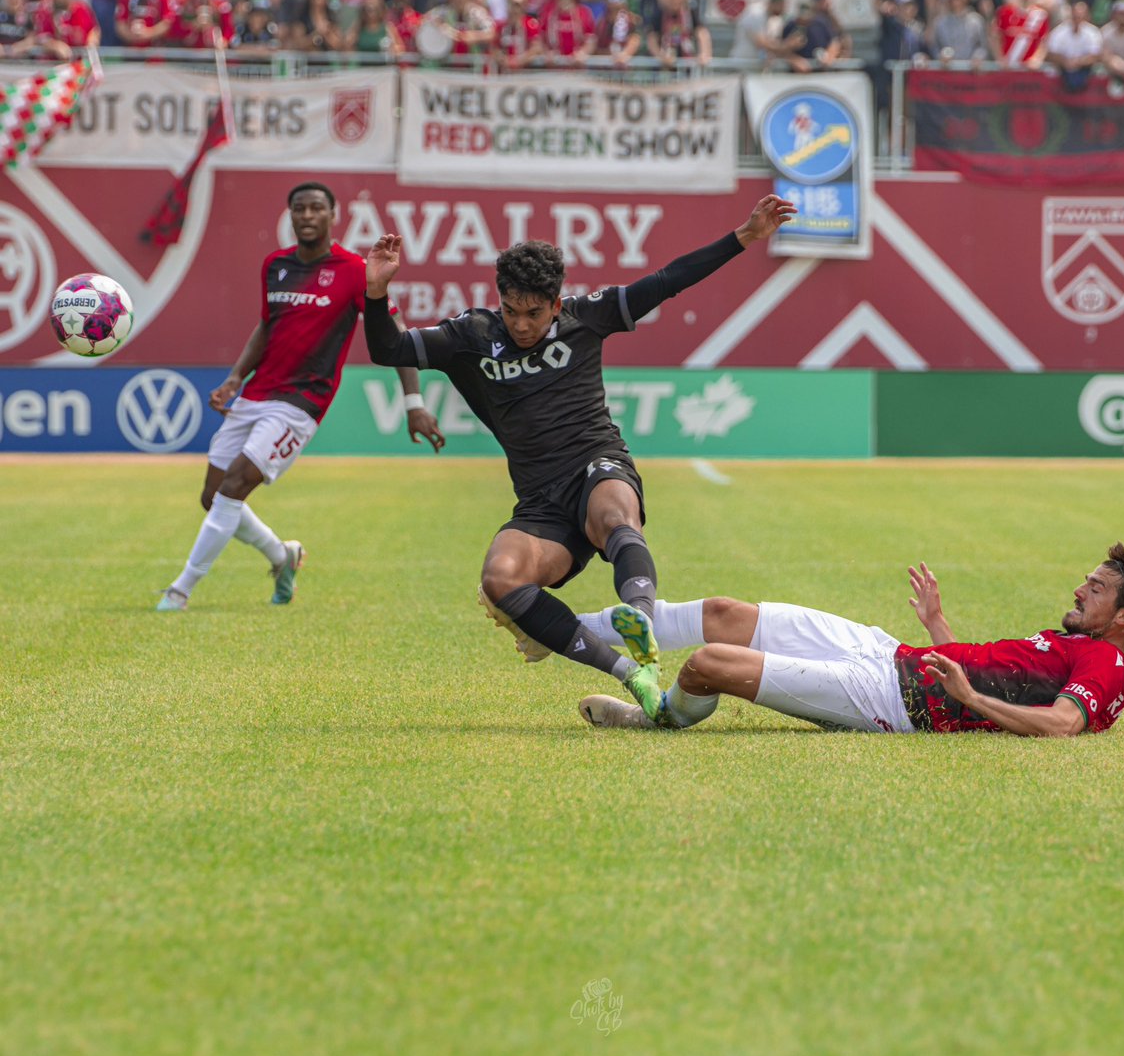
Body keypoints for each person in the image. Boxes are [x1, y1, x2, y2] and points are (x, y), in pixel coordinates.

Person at [362, 195, 796, 720]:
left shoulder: (587, 316)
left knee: (614, 515)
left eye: (534, 313)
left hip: (597, 463)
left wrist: (742, 237)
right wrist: (376, 292)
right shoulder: (470, 336)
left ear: (557, 302)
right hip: (540, 502)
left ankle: (639, 619)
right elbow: (388, 350)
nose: (521, 325)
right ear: (499, 300)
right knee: (500, 580)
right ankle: (630, 673)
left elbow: (667, 280)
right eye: (511, 311)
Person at [157, 183, 444, 612]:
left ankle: (180, 590)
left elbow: (393, 334)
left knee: (234, 487)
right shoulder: (276, 266)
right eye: (299, 209)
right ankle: (282, 555)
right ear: (290, 215)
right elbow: (267, 326)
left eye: (316, 208)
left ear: (333, 215)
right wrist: (236, 377)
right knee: (212, 495)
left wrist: (413, 402)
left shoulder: (353, 270)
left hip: (302, 402)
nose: (307, 215)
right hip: (257, 392)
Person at [578, 543, 1124, 736]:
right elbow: (982, 672)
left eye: (1094, 590)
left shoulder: (1107, 664)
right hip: (888, 653)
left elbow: (1064, 724)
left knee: (706, 665)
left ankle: (656, 715)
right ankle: (568, 629)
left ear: (1122, 618)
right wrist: (938, 628)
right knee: (728, 613)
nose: (1078, 590)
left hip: (891, 701)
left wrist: (969, 699)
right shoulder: (1074, 642)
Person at [1046, 0, 1102, 89]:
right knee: (1050, 70)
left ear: (1087, 16)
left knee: (1099, 71)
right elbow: (1051, 53)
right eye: (1075, 15)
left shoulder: (1093, 32)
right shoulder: (1059, 31)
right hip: (1062, 68)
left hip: (1085, 69)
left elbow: (1095, 55)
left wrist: (1078, 62)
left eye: (1081, 16)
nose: (1078, 18)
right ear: (1071, 14)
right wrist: (1065, 61)